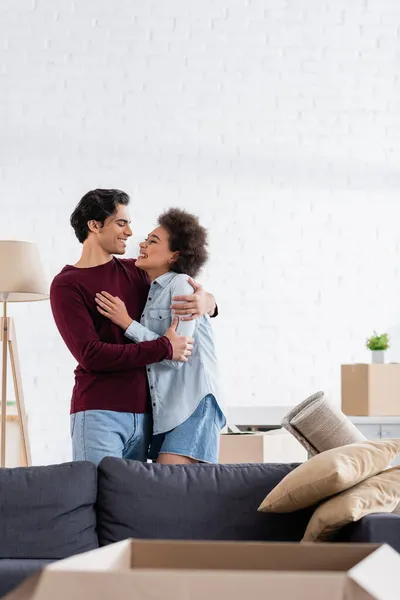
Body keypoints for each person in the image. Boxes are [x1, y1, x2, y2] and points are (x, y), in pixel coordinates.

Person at [50, 189, 217, 466]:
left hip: (147, 418)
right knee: (96, 498)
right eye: (121, 223)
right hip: (99, 412)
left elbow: (184, 286)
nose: (130, 232)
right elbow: (91, 355)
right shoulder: (67, 284)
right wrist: (164, 347)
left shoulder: (138, 271)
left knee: (133, 505)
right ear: (94, 225)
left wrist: (207, 302)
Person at [95, 208, 225, 464]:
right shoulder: (151, 288)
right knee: (171, 492)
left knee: (171, 488)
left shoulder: (180, 285)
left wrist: (126, 322)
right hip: (168, 410)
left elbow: (175, 356)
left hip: (193, 403)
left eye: (153, 241)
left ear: (175, 254)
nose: (142, 244)